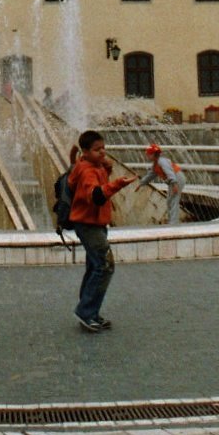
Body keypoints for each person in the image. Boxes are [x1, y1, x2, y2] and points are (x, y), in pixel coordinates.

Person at [68, 129, 135, 333]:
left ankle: (91, 311)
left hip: (95, 223)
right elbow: (95, 196)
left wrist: (106, 170)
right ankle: (86, 311)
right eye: (97, 150)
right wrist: (117, 184)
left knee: (95, 266)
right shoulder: (87, 170)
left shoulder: (93, 166)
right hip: (88, 224)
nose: (103, 152)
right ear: (86, 152)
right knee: (105, 266)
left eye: (104, 148)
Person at [139, 143, 183, 223]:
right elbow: (150, 176)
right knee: (170, 201)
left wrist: (175, 184)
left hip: (177, 178)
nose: (147, 156)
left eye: (148, 154)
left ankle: (173, 223)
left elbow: (169, 172)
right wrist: (141, 183)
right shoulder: (156, 164)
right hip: (174, 180)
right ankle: (172, 221)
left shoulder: (162, 161)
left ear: (153, 154)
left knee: (174, 200)